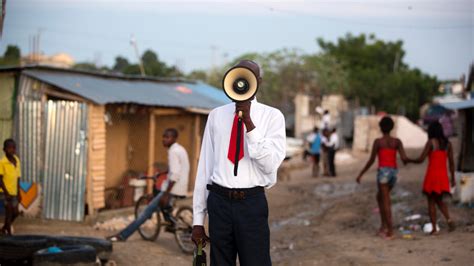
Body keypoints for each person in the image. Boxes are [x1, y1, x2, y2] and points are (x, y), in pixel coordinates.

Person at [192, 60, 286, 266]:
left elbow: (270, 166)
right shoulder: (216, 116)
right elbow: (205, 169)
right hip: (219, 202)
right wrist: (198, 221)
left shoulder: (272, 117)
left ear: (258, 81)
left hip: (251, 203)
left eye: (249, 76)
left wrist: (250, 125)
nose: (243, 81)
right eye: (238, 75)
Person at [108, 128, 190, 241]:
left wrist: (166, 194)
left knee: (145, 213)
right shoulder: (180, 149)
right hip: (181, 187)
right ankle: (172, 224)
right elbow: (177, 169)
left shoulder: (173, 152)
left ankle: (122, 236)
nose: (164, 140)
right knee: (166, 208)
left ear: (174, 138)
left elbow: (175, 174)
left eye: (167, 137)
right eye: (163, 137)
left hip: (173, 189)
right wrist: (163, 173)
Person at [356, 117, 409, 239]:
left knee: (385, 202)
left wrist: (361, 174)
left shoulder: (378, 142)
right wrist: (415, 160)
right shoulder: (397, 142)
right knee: (380, 198)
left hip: (383, 173)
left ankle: (389, 231)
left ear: (380, 128)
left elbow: (371, 160)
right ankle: (383, 226)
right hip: (394, 174)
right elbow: (404, 158)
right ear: (392, 127)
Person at [408, 121, 456, 234]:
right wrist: (453, 178)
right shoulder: (448, 144)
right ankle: (449, 219)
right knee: (439, 200)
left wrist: (409, 160)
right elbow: (452, 163)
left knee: (431, 202)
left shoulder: (431, 143)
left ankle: (434, 228)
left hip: (432, 175)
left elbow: (421, 159)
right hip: (443, 176)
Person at [0, 139, 21, 235]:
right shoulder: (2, 162)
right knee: (9, 213)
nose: (11, 150)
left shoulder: (17, 160)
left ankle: (4, 228)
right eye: (9, 148)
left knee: (15, 213)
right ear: (4, 149)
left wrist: (19, 192)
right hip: (4, 192)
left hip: (14, 192)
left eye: (13, 148)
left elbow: (17, 178)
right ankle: (8, 234)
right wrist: (6, 192)